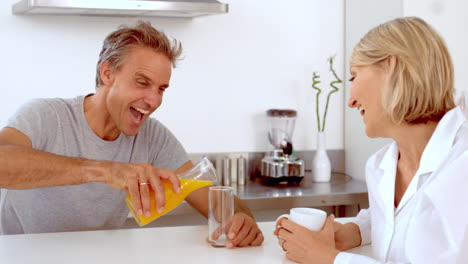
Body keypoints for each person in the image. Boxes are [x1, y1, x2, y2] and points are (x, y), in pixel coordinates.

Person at [0, 21, 263, 248]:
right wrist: (104, 170)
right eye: (142, 83)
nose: (153, 100)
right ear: (107, 73)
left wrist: (241, 220)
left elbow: (215, 201)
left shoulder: (154, 138)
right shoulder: (45, 116)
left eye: (161, 89)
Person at [274, 16, 468, 263]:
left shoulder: (462, 166)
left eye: (354, 76)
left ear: (391, 69)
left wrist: (328, 258)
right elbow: (410, 220)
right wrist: (353, 231)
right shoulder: (381, 166)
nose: (350, 101)